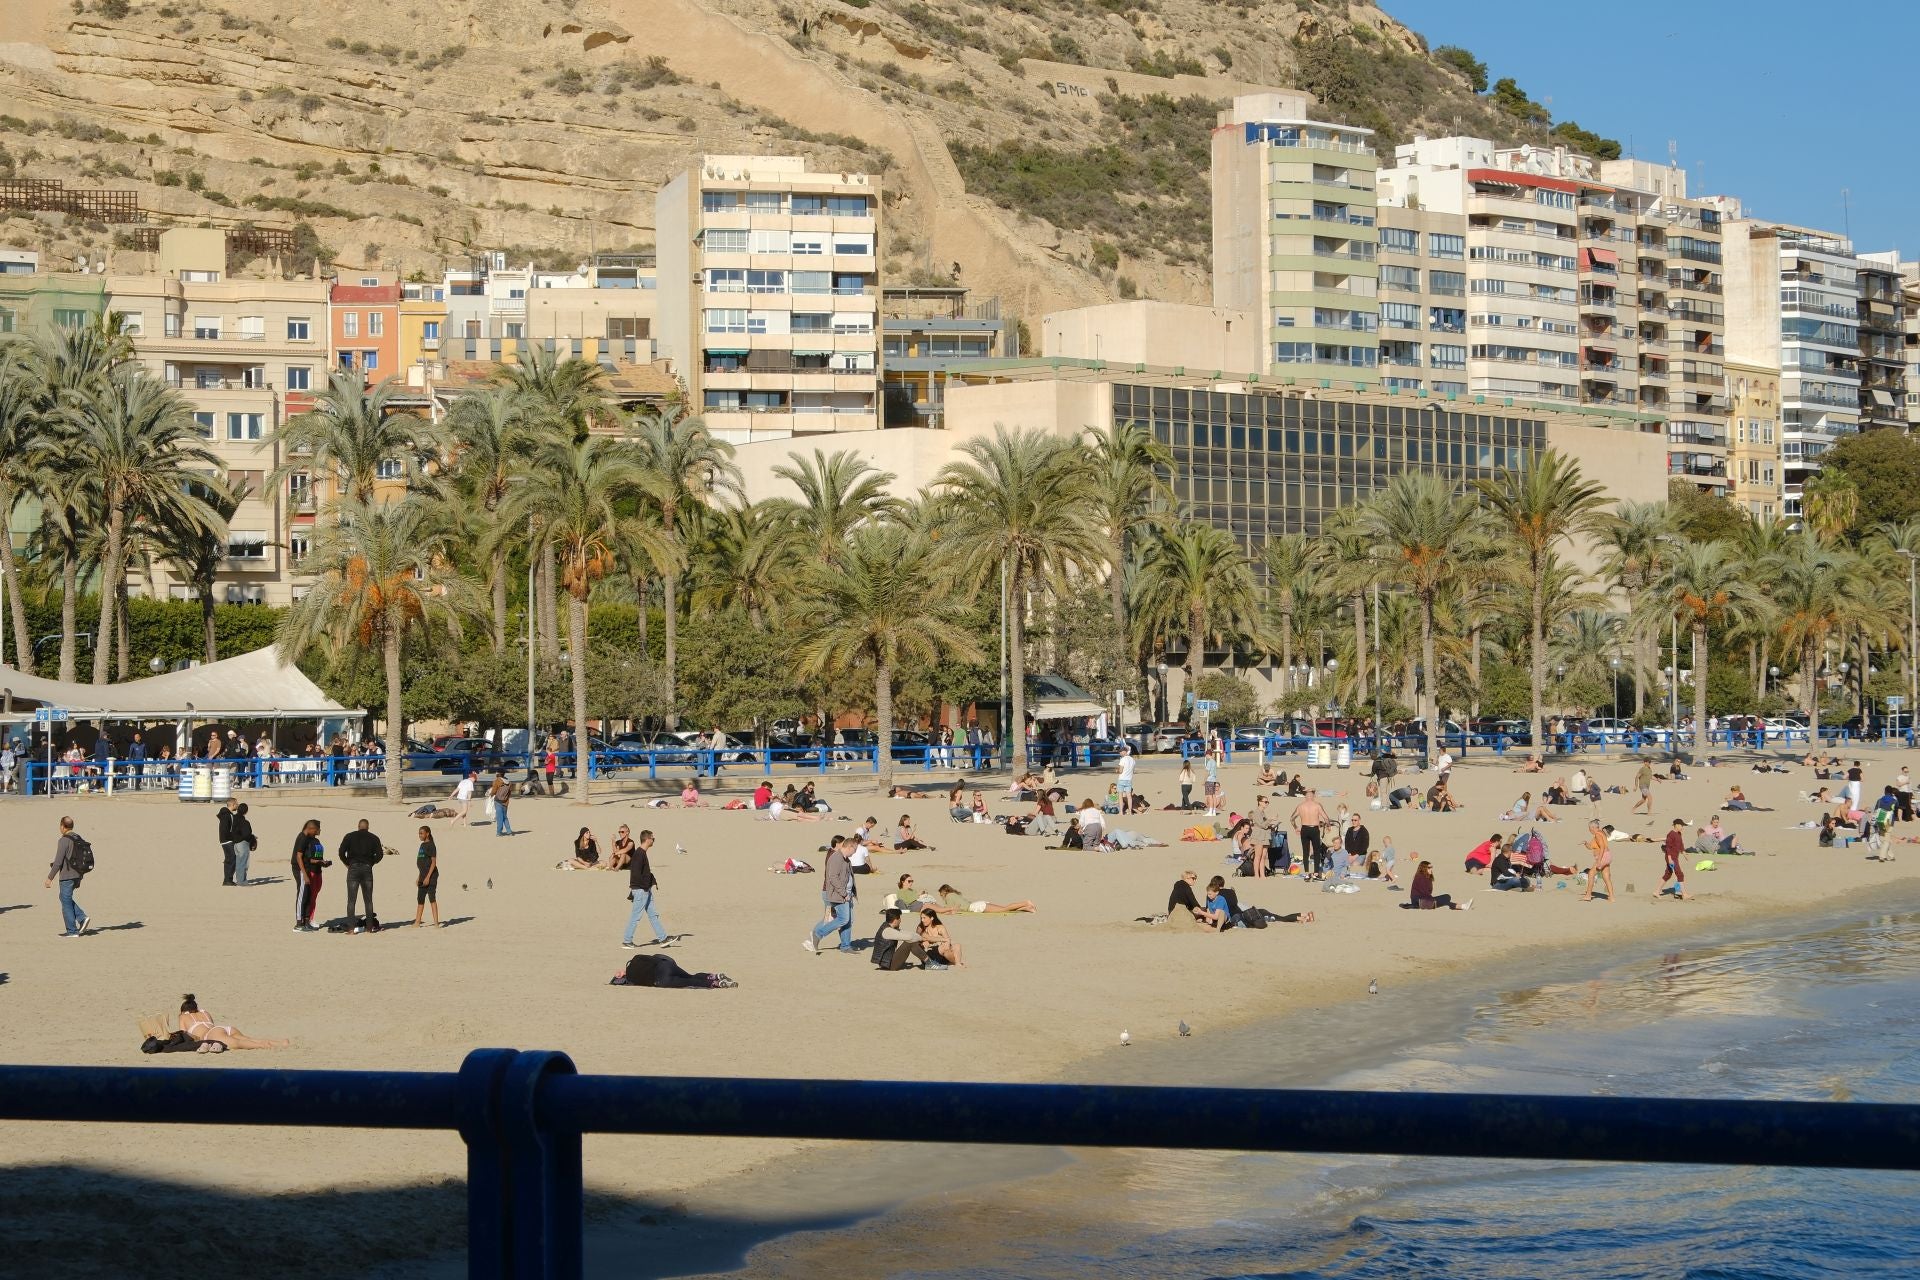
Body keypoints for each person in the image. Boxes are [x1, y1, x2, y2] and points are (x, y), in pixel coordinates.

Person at [177, 994, 289, 1050]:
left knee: (240, 1044)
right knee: (247, 1038)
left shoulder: (183, 1017)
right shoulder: (204, 1012)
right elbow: (212, 1026)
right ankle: (280, 1042)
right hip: (223, 1029)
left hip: (211, 1034)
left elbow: (183, 1034)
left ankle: (264, 1045)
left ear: (183, 1010)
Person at [803, 837, 855, 954]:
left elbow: (846, 876)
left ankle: (846, 946)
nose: (855, 852)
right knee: (840, 919)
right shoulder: (835, 857)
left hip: (845, 894)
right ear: (849, 846)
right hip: (837, 895)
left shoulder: (845, 859)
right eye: (854, 849)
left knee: (847, 920)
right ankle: (816, 935)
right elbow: (832, 877)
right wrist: (843, 893)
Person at [621, 828, 670, 949]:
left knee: (653, 915)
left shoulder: (642, 853)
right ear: (647, 839)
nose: (653, 840)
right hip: (641, 891)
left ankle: (663, 938)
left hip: (645, 890)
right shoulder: (639, 854)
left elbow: (643, 873)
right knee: (636, 916)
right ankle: (627, 940)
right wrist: (643, 888)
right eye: (652, 838)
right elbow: (635, 874)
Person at [45, 815, 92, 938]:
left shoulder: (63, 840)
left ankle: (72, 930)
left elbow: (58, 862)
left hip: (67, 876)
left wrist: (50, 878)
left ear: (62, 826)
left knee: (65, 900)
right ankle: (82, 918)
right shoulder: (78, 837)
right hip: (78, 874)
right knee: (64, 897)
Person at [338, 817, 385, 932]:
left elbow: (341, 852)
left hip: (353, 868)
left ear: (358, 826)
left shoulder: (349, 836)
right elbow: (380, 855)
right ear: (368, 827)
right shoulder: (374, 838)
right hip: (367, 868)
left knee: (351, 900)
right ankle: (369, 928)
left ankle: (350, 929)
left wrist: (347, 863)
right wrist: (371, 863)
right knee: (368, 900)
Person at [613, 953, 737, 989]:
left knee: (690, 981)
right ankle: (713, 976)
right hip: (665, 966)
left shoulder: (632, 980)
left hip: (661, 980)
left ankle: (716, 984)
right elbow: (655, 957)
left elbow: (617, 982)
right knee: (690, 976)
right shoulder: (636, 958)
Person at [872, 907, 938, 970]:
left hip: (887, 963)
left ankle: (928, 962)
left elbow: (908, 933)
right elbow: (909, 937)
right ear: (895, 920)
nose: (900, 921)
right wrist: (922, 939)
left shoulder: (888, 927)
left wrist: (923, 938)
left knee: (912, 940)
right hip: (888, 965)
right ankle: (929, 963)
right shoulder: (888, 931)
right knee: (909, 942)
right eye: (899, 918)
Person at [292, 819, 327, 932]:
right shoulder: (302, 837)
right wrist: (304, 874)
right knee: (302, 895)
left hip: (306, 869)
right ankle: (298, 923)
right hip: (300, 869)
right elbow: (298, 857)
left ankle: (306, 922)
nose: (319, 831)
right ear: (311, 829)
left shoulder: (308, 838)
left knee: (307, 894)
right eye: (317, 829)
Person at [1293, 791, 1329, 880]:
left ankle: (1306, 873)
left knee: (1305, 851)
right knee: (1316, 851)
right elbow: (1326, 817)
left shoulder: (1300, 806)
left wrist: (1296, 827)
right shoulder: (1317, 805)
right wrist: (1328, 825)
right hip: (1314, 829)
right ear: (1313, 797)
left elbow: (1291, 818)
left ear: (1305, 797)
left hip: (1304, 829)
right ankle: (1316, 873)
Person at [412, 826, 442, 928]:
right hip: (422, 875)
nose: (420, 835)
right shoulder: (422, 845)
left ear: (427, 834)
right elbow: (422, 863)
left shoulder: (431, 845)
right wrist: (419, 877)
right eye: (419, 833)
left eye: (421, 833)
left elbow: (433, 863)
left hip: (431, 876)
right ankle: (417, 922)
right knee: (420, 899)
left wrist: (428, 877)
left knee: (432, 898)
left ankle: (436, 923)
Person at [938, 883, 1035, 914]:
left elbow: (954, 907)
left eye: (941, 894)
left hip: (976, 907)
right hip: (978, 904)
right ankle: (1027, 908)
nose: (941, 896)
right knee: (1005, 909)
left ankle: (1025, 903)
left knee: (1004, 909)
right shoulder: (954, 894)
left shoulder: (948, 896)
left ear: (944, 892)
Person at [1582, 818, 1614, 902]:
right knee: (1606, 877)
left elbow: (1602, 847)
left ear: (1593, 827)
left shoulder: (1597, 834)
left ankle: (1588, 895)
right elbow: (1591, 847)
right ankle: (1611, 897)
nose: (1589, 830)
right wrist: (1586, 843)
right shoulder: (1600, 833)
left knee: (1591, 874)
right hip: (1608, 856)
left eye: (1589, 828)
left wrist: (1599, 860)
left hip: (1602, 856)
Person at [1660, 818, 1689, 899]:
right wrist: (1669, 858)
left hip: (1675, 856)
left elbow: (1681, 844)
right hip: (1671, 857)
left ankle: (1656, 891)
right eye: (1681, 825)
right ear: (1676, 825)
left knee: (1668, 874)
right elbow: (1668, 847)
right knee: (1679, 874)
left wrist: (1684, 853)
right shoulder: (1671, 834)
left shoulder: (1679, 834)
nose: (1682, 827)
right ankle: (1684, 894)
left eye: (1683, 825)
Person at [230, 802, 256, 887]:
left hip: (235, 843)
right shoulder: (244, 822)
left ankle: (239, 880)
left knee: (239, 862)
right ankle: (242, 881)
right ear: (246, 811)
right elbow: (247, 834)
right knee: (244, 863)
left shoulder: (233, 818)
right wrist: (252, 837)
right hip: (242, 843)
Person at [218, 796, 242, 886]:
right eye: (237, 804)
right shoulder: (226, 815)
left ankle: (228, 879)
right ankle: (227, 880)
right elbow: (224, 830)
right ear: (233, 804)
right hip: (227, 841)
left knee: (232, 859)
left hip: (227, 840)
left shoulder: (229, 815)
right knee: (231, 859)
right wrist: (231, 838)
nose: (238, 805)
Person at [1341, 812, 1369, 881]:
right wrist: (1349, 853)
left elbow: (1365, 846)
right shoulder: (1349, 830)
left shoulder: (1364, 831)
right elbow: (1346, 843)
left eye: (1355, 820)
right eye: (1352, 820)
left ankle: (1364, 862)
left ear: (1359, 820)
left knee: (1354, 866)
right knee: (1342, 864)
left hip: (1360, 854)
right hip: (1350, 854)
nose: (1353, 822)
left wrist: (1355, 856)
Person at [490, 772, 515, 837]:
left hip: (498, 801)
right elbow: (509, 793)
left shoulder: (497, 781)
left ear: (498, 774)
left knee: (499, 817)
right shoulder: (508, 782)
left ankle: (499, 832)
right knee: (505, 817)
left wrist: (490, 794)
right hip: (505, 801)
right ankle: (509, 831)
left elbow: (494, 791)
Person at [1203, 749, 1221, 816]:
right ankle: (1213, 811)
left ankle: (1210, 811)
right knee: (1213, 796)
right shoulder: (1214, 762)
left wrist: (1204, 781)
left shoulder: (1209, 762)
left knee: (1210, 796)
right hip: (1214, 780)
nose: (1206, 757)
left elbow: (1207, 772)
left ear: (1208, 755)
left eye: (1206, 755)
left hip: (1209, 780)